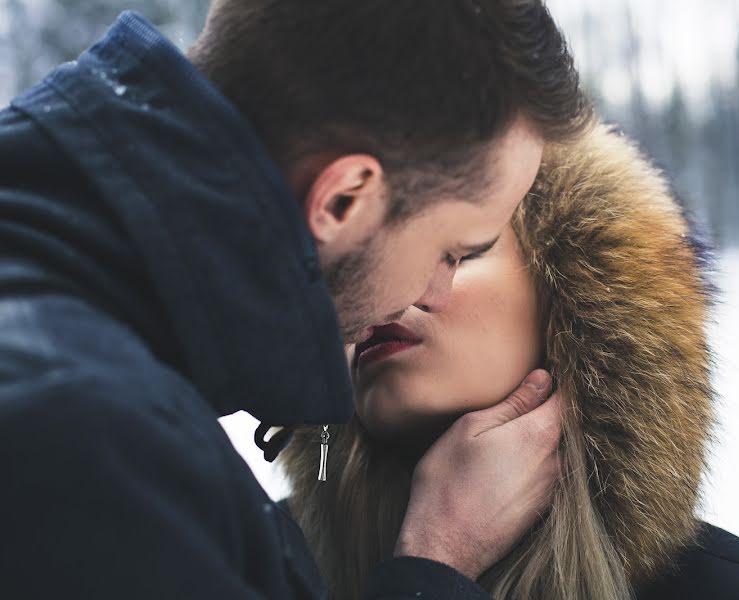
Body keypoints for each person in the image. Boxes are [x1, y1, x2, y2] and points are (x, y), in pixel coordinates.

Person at [0, 2, 593, 598]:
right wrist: (436, 563)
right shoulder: (91, 453)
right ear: (343, 202)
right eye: (452, 250)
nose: (432, 291)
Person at [280, 124, 739, 600]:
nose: (387, 289)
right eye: (354, 267)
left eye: (461, 249)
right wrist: (434, 563)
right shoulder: (254, 565)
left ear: (574, 301)